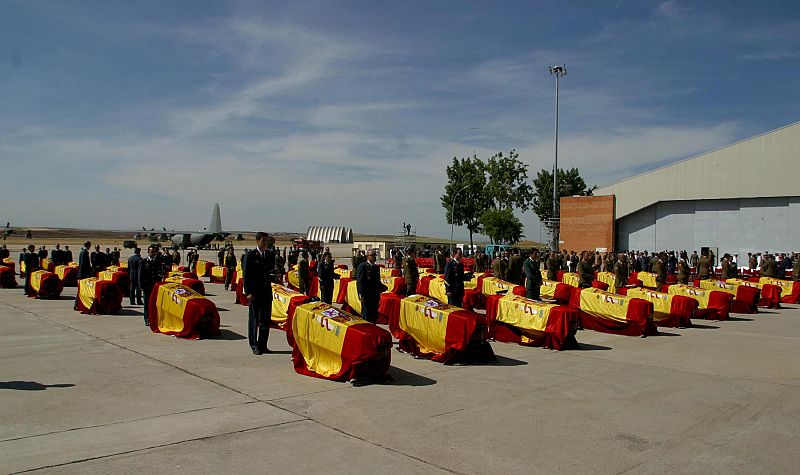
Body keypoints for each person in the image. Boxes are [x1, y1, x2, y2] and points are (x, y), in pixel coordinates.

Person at [244, 232, 276, 354]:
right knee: (254, 319)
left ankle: (263, 345)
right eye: (263, 241)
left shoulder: (269, 255)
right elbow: (247, 275)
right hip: (255, 292)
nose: (266, 243)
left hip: (266, 292)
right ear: (258, 241)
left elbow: (270, 272)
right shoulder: (251, 255)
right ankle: (254, 345)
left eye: (267, 241)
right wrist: (248, 292)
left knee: (265, 320)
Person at [139, 245, 165, 326]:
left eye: (154, 252)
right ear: (148, 252)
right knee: (147, 303)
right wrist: (141, 286)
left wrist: (161, 276)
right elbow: (140, 275)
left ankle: (154, 318)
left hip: (155, 285)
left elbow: (160, 272)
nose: (153, 253)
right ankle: (147, 319)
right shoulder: (143, 262)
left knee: (155, 302)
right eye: (151, 251)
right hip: (147, 286)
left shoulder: (158, 261)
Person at [356, 250, 384, 324]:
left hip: (375, 295)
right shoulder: (363, 266)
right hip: (366, 295)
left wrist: (383, 287)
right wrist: (360, 294)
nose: (374, 257)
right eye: (372, 255)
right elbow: (360, 281)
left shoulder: (376, 267)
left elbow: (377, 281)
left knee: (374, 315)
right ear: (368, 257)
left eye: (375, 255)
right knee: (366, 315)